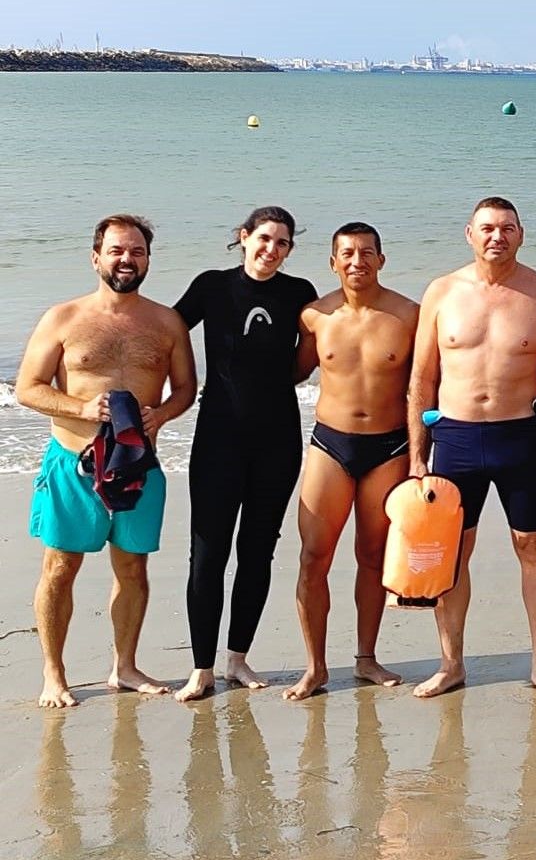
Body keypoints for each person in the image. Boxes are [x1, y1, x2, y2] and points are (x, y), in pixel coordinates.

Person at [16, 215, 196, 707]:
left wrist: (160, 415)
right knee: (59, 567)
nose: (127, 259)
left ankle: (126, 666)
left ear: (148, 260)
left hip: (139, 465)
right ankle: (54, 673)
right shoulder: (63, 318)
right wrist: (81, 408)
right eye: (117, 250)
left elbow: (186, 389)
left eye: (136, 251)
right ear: (96, 257)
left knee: (133, 568)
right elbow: (27, 388)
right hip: (73, 461)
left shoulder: (166, 323)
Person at [407, 197, 536, 700]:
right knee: (451, 554)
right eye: (487, 228)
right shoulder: (442, 292)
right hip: (456, 438)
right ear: (469, 233)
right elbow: (422, 377)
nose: (496, 237)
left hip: (521, 437)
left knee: (534, 547)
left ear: (521, 234)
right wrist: (418, 457)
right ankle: (451, 662)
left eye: (507, 228)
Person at [172, 205, 319, 701]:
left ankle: (237, 657)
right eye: (263, 239)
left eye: (282, 243)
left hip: (278, 441)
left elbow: (311, 357)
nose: (270, 249)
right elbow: (165, 334)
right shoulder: (212, 286)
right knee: (207, 553)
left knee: (258, 550)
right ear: (244, 237)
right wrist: (163, 394)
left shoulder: (299, 294)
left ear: (290, 249)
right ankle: (201, 667)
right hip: (218, 438)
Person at [285, 222, 418, 700]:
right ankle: (315, 667)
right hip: (330, 445)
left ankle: (366, 658)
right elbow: (291, 373)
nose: (357, 261)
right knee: (313, 556)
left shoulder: (409, 315)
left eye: (367, 253)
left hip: (389, 447)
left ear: (382, 260)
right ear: (333, 262)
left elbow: (427, 387)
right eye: (347, 253)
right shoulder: (315, 316)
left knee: (372, 556)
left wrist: (426, 455)